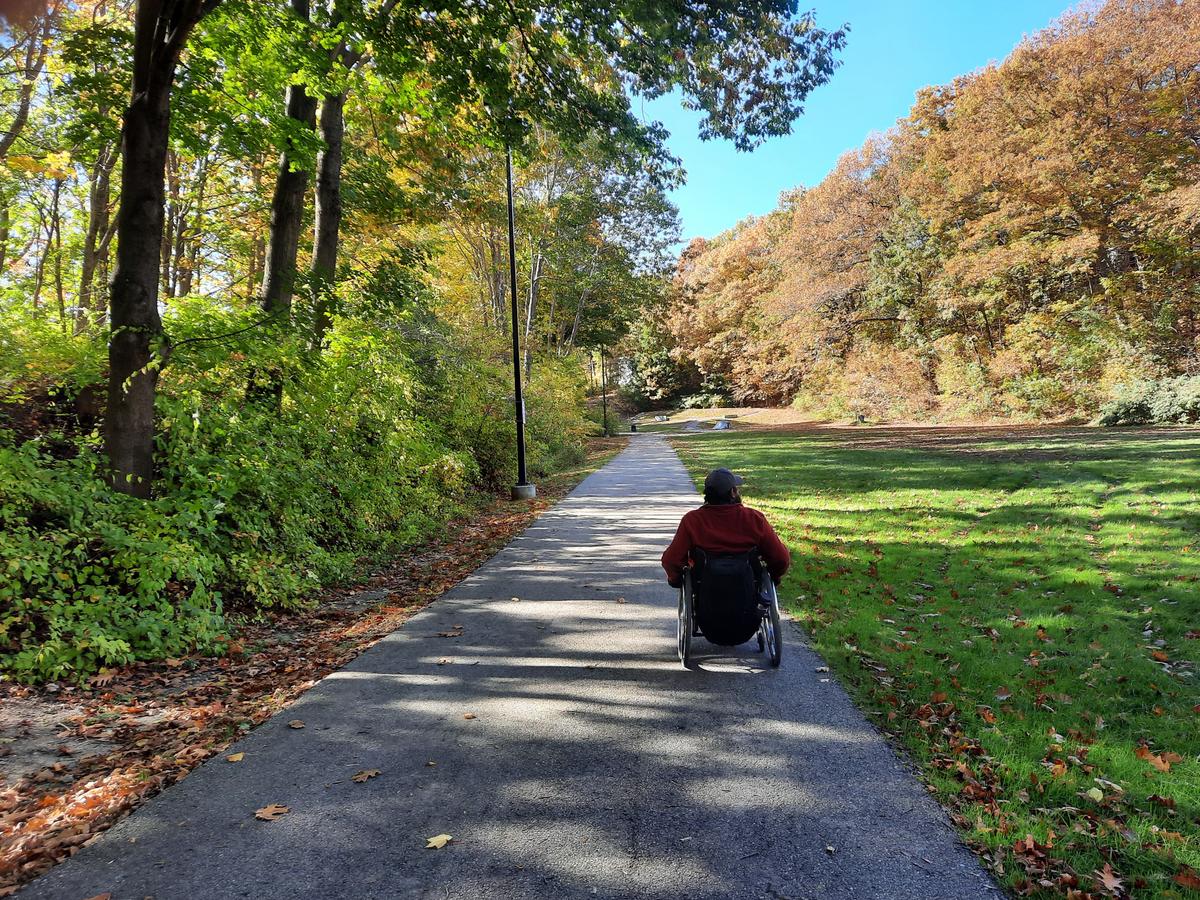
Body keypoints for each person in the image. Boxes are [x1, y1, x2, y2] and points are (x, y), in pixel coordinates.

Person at [661, 467, 791, 592]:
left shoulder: (692, 521)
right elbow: (781, 559)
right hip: (747, 593)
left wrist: (676, 579)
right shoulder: (754, 519)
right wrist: (773, 577)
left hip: (706, 595)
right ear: (733, 492)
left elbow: (671, 560)